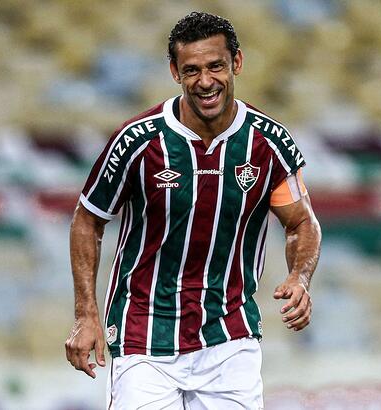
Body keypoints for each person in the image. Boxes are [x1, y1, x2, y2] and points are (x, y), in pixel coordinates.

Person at [65, 11, 321, 409]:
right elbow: (88, 218)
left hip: (229, 335)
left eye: (216, 66)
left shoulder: (267, 143)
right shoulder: (138, 141)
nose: (205, 81)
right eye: (192, 70)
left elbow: (301, 222)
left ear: (236, 62)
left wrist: (300, 277)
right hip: (144, 333)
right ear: (174, 71)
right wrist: (86, 313)